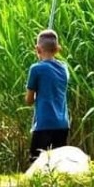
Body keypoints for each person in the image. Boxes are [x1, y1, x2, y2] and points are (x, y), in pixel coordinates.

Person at [25, 28, 69, 163]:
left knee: (36, 163)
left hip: (44, 124)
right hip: (62, 125)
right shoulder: (64, 68)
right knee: (57, 166)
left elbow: (29, 100)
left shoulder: (36, 69)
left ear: (37, 49)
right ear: (57, 49)